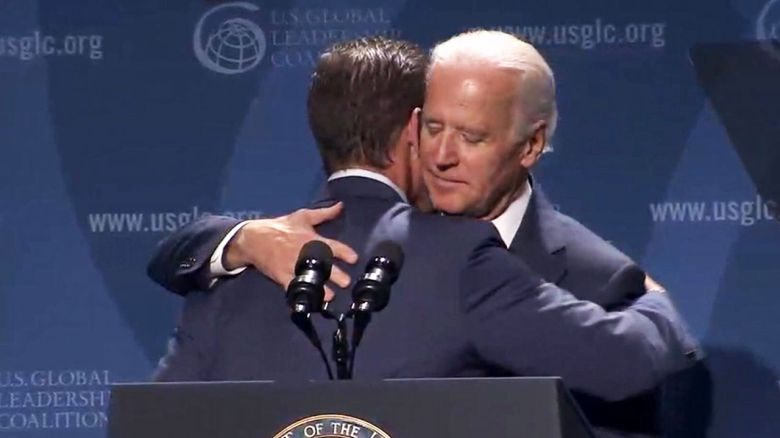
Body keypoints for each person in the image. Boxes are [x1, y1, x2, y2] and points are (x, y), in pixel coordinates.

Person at [153, 36, 698, 417]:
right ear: (410, 132)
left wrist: (237, 240)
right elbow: (627, 360)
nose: (443, 155)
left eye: (470, 136)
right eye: (434, 129)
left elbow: (153, 420)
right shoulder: (456, 258)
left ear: (530, 144)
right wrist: (658, 305)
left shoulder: (232, 272)